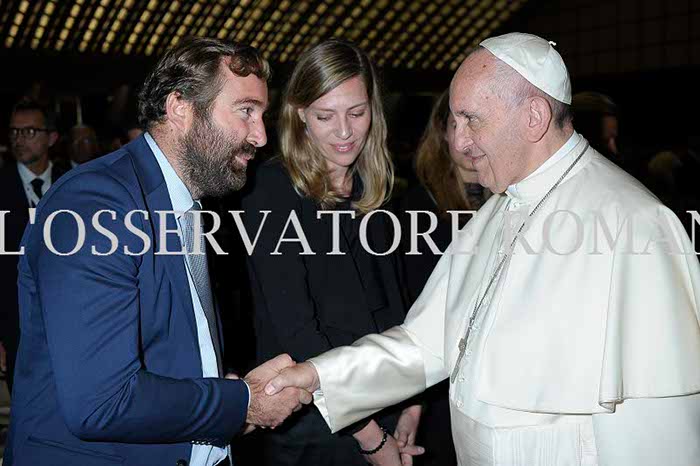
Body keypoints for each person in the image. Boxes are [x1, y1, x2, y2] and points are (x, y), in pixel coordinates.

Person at [264, 32, 700, 466]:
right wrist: (318, 374)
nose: (458, 144)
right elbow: (427, 343)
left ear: (533, 117)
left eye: (473, 119)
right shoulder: (497, 210)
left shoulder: (635, 223)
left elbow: (659, 429)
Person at [5, 37, 312, 466]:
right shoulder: (95, 204)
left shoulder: (181, 202)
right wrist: (241, 402)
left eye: (262, 116)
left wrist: (224, 391)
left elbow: (165, 349)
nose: (260, 135)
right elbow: (102, 402)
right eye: (245, 111)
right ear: (180, 108)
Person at [241, 39, 422, 466]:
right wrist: (371, 437)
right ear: (299, 114)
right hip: (317, 424)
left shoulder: (371, 188)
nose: (344, 132)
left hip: (384, 400)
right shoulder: (270, 191)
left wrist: (413, 400)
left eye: (356, 113)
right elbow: (297, 332)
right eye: (325, 116)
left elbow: (396, 307)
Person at [397, 90, 491, 466]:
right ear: (443, 134)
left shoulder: (515, 199)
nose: (469, 140)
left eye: (479, 125)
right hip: (439, 380)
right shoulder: (416, 209)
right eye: (457, 125)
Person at [0, 100, 68, 394]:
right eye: (14, 132)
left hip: (71, 322)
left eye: (29, 131)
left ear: (51, 137)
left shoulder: (76, 183)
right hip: (15, 327)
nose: (19, 139)